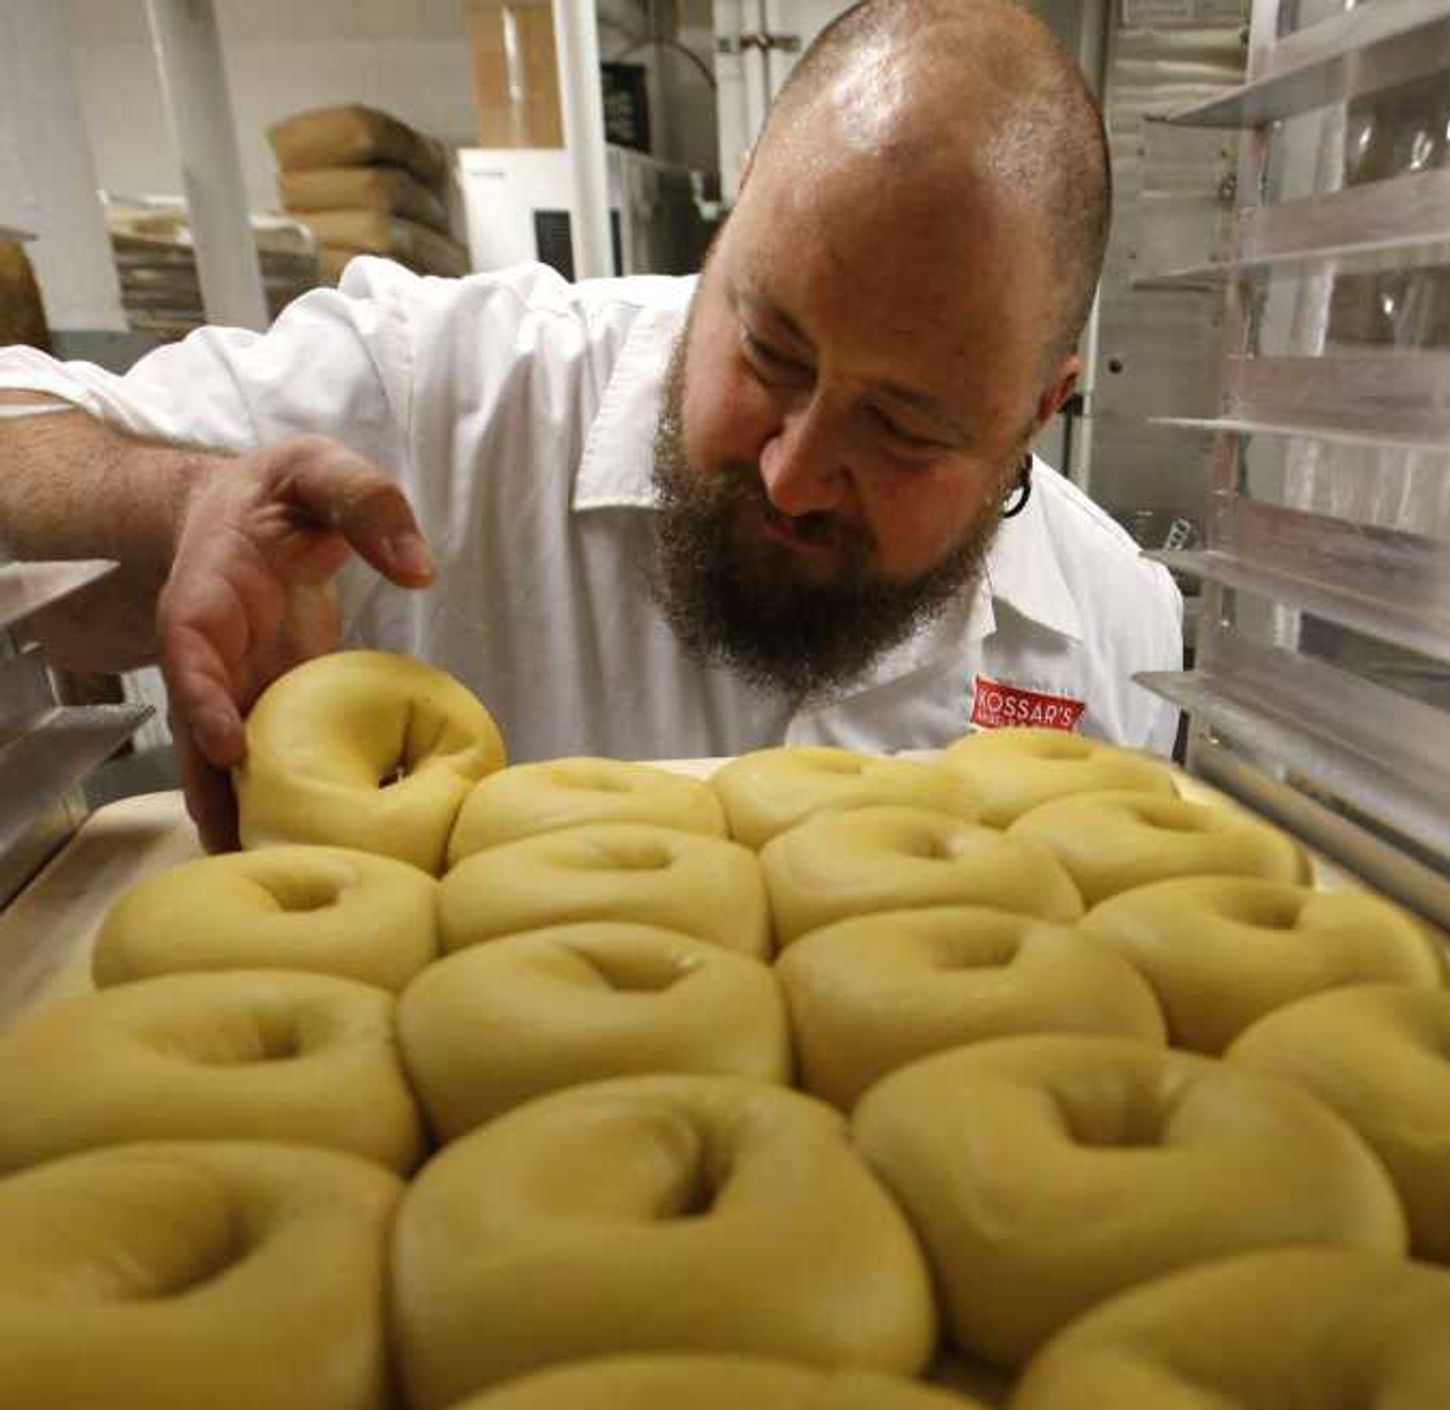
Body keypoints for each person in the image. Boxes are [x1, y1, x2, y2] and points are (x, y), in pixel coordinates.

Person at [0, 0, 1182, 848]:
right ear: (718, 250)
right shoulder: (439, 399)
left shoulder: (1114, 635)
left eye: (906, 429)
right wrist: (176, 505)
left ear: (1037, 411)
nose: (794, 469)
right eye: (770, 351)